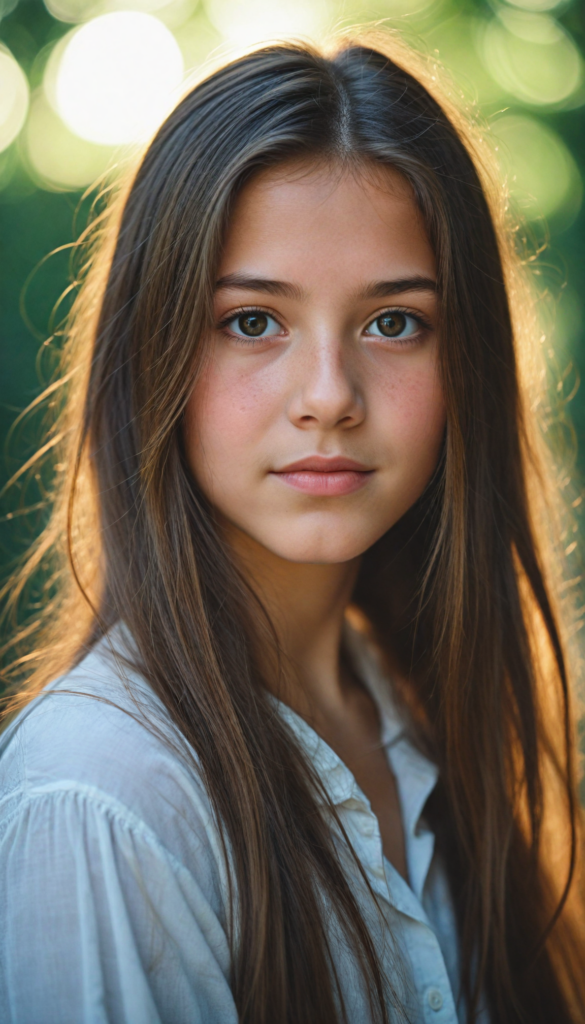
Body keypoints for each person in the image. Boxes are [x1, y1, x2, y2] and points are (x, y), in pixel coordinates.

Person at [0, 36, 584, 1024]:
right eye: (253, 322)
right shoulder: (99, 795)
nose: (329, 396)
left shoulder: (436, 718)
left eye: (393, 322)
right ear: (156, 353)